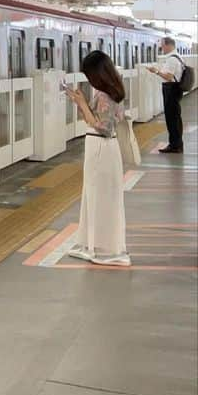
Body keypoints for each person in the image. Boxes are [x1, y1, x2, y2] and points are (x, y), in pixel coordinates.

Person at [66, 50, 130, 266]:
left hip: (101, 147)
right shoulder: (112, 90)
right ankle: (92, 244)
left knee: (99, 198)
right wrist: (80, 102)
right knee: (96, 197)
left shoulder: (104, 95)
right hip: (102, 148)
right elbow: (92, 120)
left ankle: (103, 249)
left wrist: (83, 104)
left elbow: (104, 127)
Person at [145, 36, 185, 154]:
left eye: (162, 45)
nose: (161, 48)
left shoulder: (172, 59)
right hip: (174, 89)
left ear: (168, 45)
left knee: (171, 118)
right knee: (175, 118)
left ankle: (175, 145)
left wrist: (156, 71)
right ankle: (176, 144)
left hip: (171, 89)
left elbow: (168, 76)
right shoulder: (177, 57)